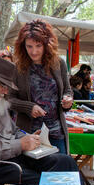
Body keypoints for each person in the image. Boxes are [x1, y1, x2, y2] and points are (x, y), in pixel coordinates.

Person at [0, 56, 82, 185]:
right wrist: (19, 145)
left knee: (65, 162)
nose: (6, 91)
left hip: (9, 158)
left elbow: (13, 131)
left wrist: (27, 138)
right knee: (46, 183)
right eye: (3, 86)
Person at [8, 19, 73, 155]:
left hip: (56, 132)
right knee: (35, 175)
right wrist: (29, 107)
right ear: (22, 46)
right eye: (29, 46)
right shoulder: (18, 67)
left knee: (60, 172)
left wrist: (68, 100)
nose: (34, 52)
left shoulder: (59, 63)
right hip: (30, 134)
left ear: (47, 45)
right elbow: (9, 99)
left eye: (38, 46)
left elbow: (67, 90)